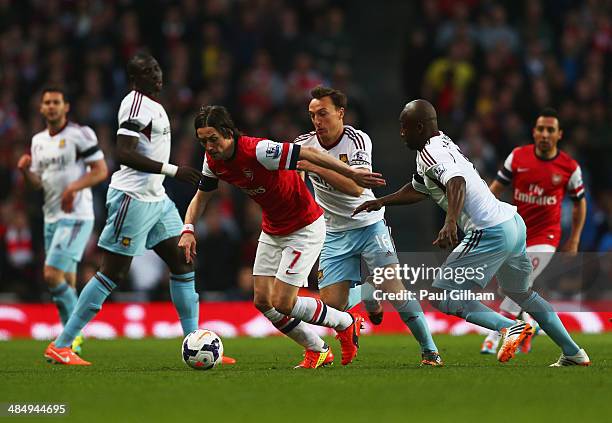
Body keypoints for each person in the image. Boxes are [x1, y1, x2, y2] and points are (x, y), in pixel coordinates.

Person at [355, 99, 590, 366]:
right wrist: (382, 201)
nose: (401, 132)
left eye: (404, 126)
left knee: (443, 297)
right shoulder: (436, 146)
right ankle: (573, 352)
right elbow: (419, 189)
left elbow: (456, 182)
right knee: (522, 293)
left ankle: (509, 327)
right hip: (512, 223)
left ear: (419, 127)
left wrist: (450, 222)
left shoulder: (433, 152)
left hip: (489, 230)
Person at [44, 53, 234, 366]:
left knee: (183, 261)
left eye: (158, 69)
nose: (158, 75)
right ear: (136, 78)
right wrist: (174, 170)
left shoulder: (154, 106)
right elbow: (123, 152)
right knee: (112, 273)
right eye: (149, 71)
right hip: (131, 197)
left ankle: (195, 341)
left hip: (156, 198)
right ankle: (62, 344)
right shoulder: (133, 104)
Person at [179, 105, 385, 368]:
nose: (208, 146)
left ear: (228, 133)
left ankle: (346, 323)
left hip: (304, 227)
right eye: (203, 141)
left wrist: (351, 172)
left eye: (213, 139)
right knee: (263, 301)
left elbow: (308, 153)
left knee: (283, 302)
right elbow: (200, 198)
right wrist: (188, 229)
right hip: (273, 229)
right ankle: (317, 349)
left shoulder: (259, 151)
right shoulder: (213, 162)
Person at [294, 86, 442, 366]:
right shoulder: (304, 143)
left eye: (323, 114)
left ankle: (429, 350)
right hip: (333, 233)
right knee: (333, 307)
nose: (317, 121)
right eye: (312, 115)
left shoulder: (357, 140)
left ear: (340, 113)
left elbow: (353, 186)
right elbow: (295, 183)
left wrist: (315, 166)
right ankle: (368, 293)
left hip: (368, 225)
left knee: (396, 292)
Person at [480, 108, 587, 354]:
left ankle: (494, 337)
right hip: (515, 232)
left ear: (559, 134)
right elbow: (494, 190)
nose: (545, 134)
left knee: (518, 284)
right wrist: (481, 216)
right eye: (541, 129)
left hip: (545, 237)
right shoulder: (518, 157)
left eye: (550, 130)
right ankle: (530, 324)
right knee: (506, 288)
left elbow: (580, 202)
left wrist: (575, 239)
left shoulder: (569, 167)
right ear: (534, 132)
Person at [18, 87, 108, 355]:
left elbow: (100, 171)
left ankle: (70, 338)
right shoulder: (37, 141)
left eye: (57, 102)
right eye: (47, 102)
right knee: (65, 281)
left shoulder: (80, 135)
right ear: (42, 108)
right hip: (51, 217)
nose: (52, 106)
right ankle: (71, 343)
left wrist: (73, 188)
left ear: (66, 106)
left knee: (51, 274)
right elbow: (38, 184)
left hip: (76, 216)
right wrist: (25, 172)